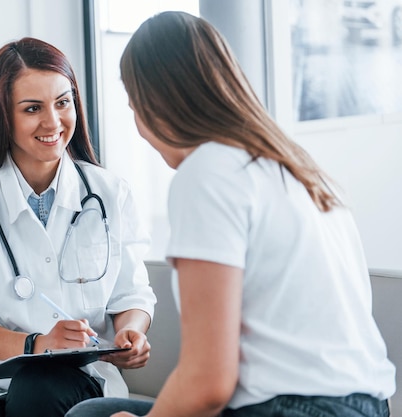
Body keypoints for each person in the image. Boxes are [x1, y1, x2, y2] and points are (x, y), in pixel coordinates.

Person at [65, 11, 396, 417]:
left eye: (135, 107)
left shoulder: (208, 171)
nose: (139, 128)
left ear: (157, 105)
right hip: (368, 404)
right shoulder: (296, 169)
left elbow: (208, 383)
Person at [0, 37, 156, 417]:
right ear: (4, 116)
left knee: (38, 390)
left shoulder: (110, 194)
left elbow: (131, 294)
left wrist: (129, 333)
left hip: (80, 376)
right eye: (33, 108)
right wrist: (36, 344)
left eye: (62, 103)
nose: (53, 122)